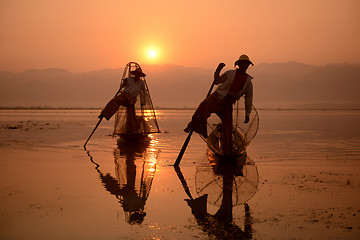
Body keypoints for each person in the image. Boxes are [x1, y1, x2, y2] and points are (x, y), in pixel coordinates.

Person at [184, 54, 254, 155]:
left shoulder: (248, 82)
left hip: (227, 103)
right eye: (242, 64)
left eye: (246, 64)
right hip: (217, 97)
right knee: (202, 107)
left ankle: (227, 151)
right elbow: (216, 81)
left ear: (248, 66)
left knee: (228, 128)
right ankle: (195, 126)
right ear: (238, 64)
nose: (244, 66)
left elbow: (249, 98)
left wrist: (247, 114)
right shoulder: (230, 73)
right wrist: (218, 70)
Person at [98, 67, 146, 132]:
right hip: (124, 96)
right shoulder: (129, 79)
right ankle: (104, 113)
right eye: (136, 74)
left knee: (130, 113)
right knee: (114, 101)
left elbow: (144, 92)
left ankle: (132, 129)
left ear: (140, 75)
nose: (137, 75)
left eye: (139, 74)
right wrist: (124, 83)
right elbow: (121, 87)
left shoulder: (141, 83)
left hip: (132, 99)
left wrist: (143, 102)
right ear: (135, 74)